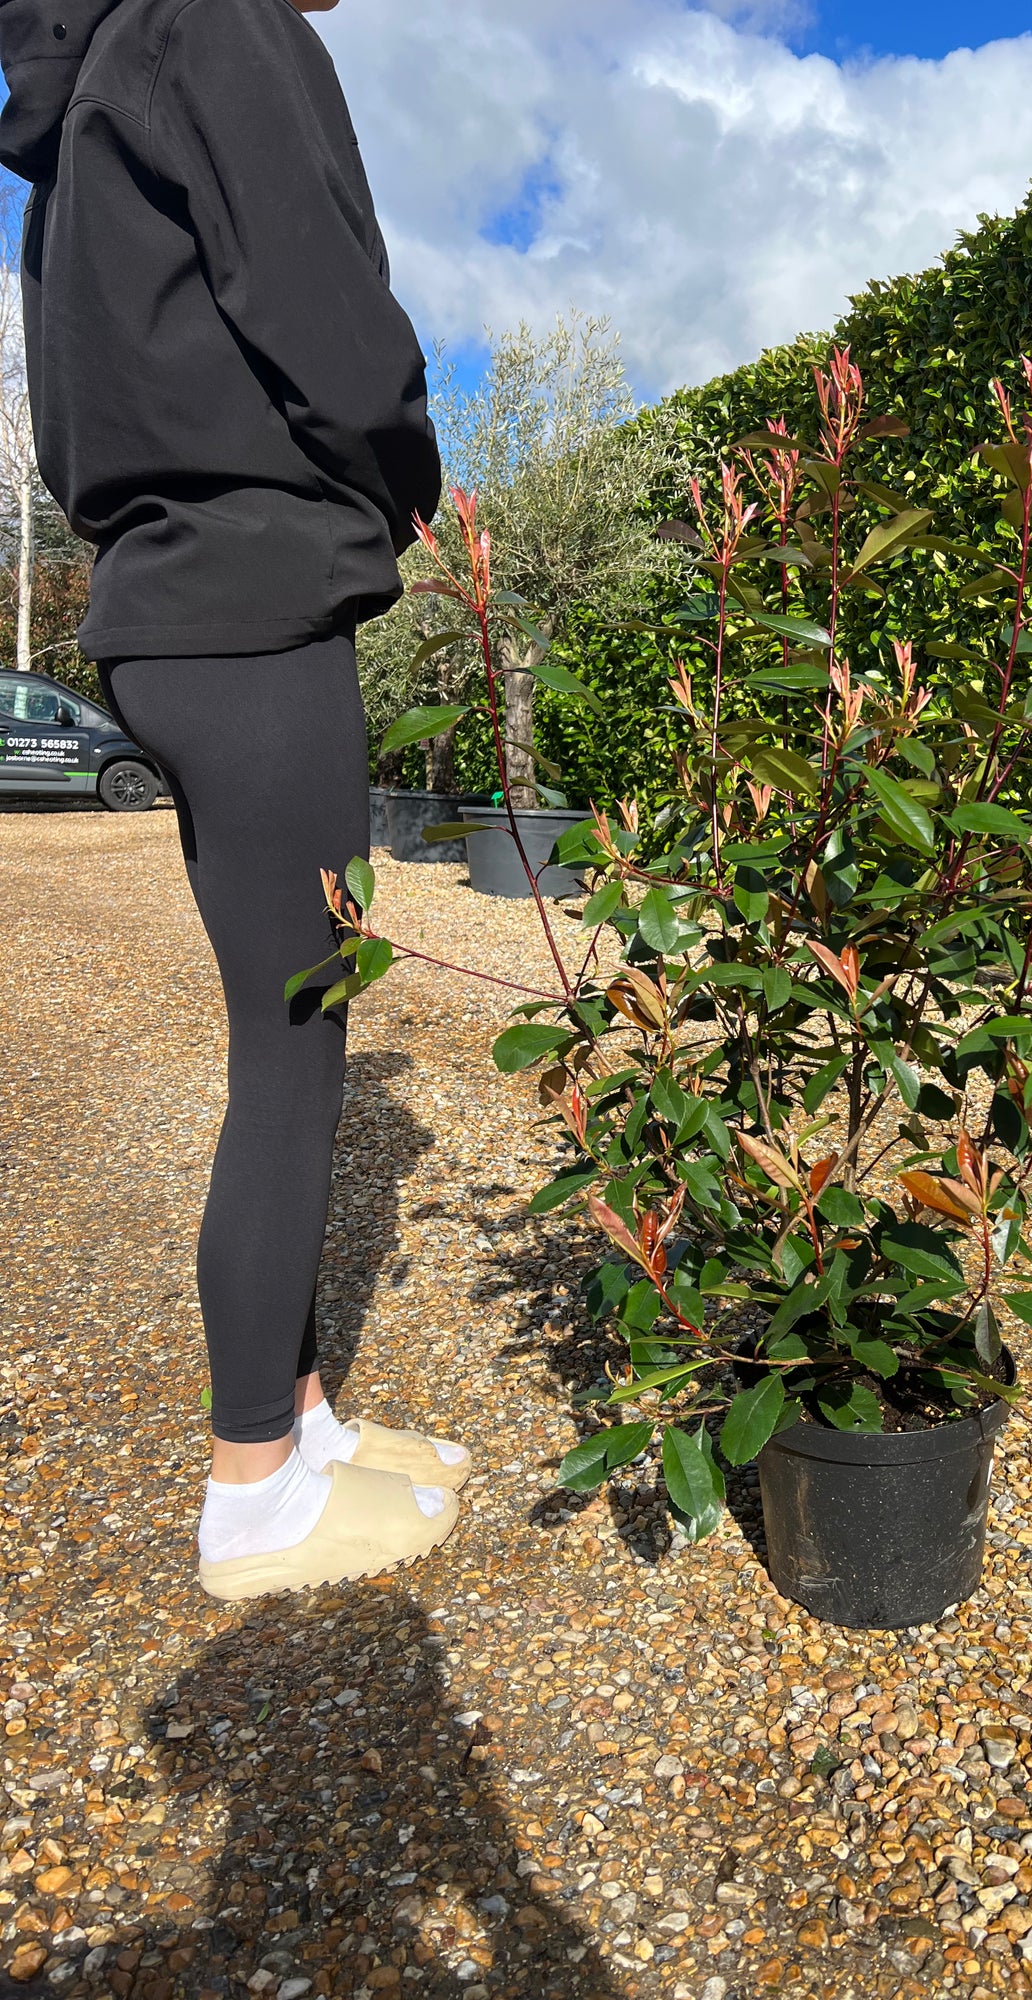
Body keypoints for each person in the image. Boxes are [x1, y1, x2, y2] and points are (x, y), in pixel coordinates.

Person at [0, 0, 469, 1600]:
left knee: (292, 1029)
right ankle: (252, 1493)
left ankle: (308, 1423)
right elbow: (328, 305)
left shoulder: (90, 83)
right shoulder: (221, 21)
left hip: (162, 604)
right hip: (253, 599)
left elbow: (86, 391)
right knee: (292, 1047)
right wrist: (403, 468)